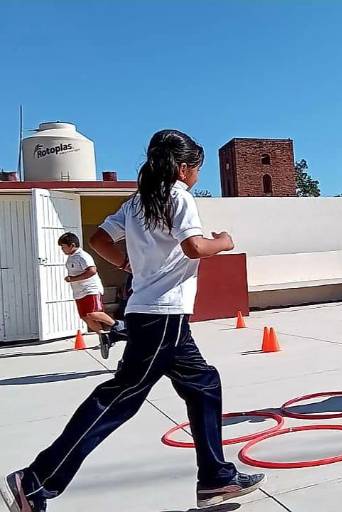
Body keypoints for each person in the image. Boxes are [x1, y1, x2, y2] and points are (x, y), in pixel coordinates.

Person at [2, 130, 264, 512]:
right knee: (118, 400)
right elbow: (194, 247)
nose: (196, 177)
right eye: (196, 169)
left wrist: (127, 263)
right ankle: (35, 480)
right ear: (182, 167)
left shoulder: (138, 202)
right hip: (163, 317)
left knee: (205, 385)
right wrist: (224, 241)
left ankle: (215, 478)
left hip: (153, 314)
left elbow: (97, 239)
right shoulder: (178, 197)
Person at [58, 232, 124, 359]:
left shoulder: (82, 256)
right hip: (79, 292)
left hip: (90, 289)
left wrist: (74, 278)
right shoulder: (71, 257)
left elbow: (92, 271)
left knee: (93, 313)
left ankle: (118, 325)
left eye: (63, 247)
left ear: (72, 245)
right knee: (85, 317)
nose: (62, 250)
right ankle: (105, 336)